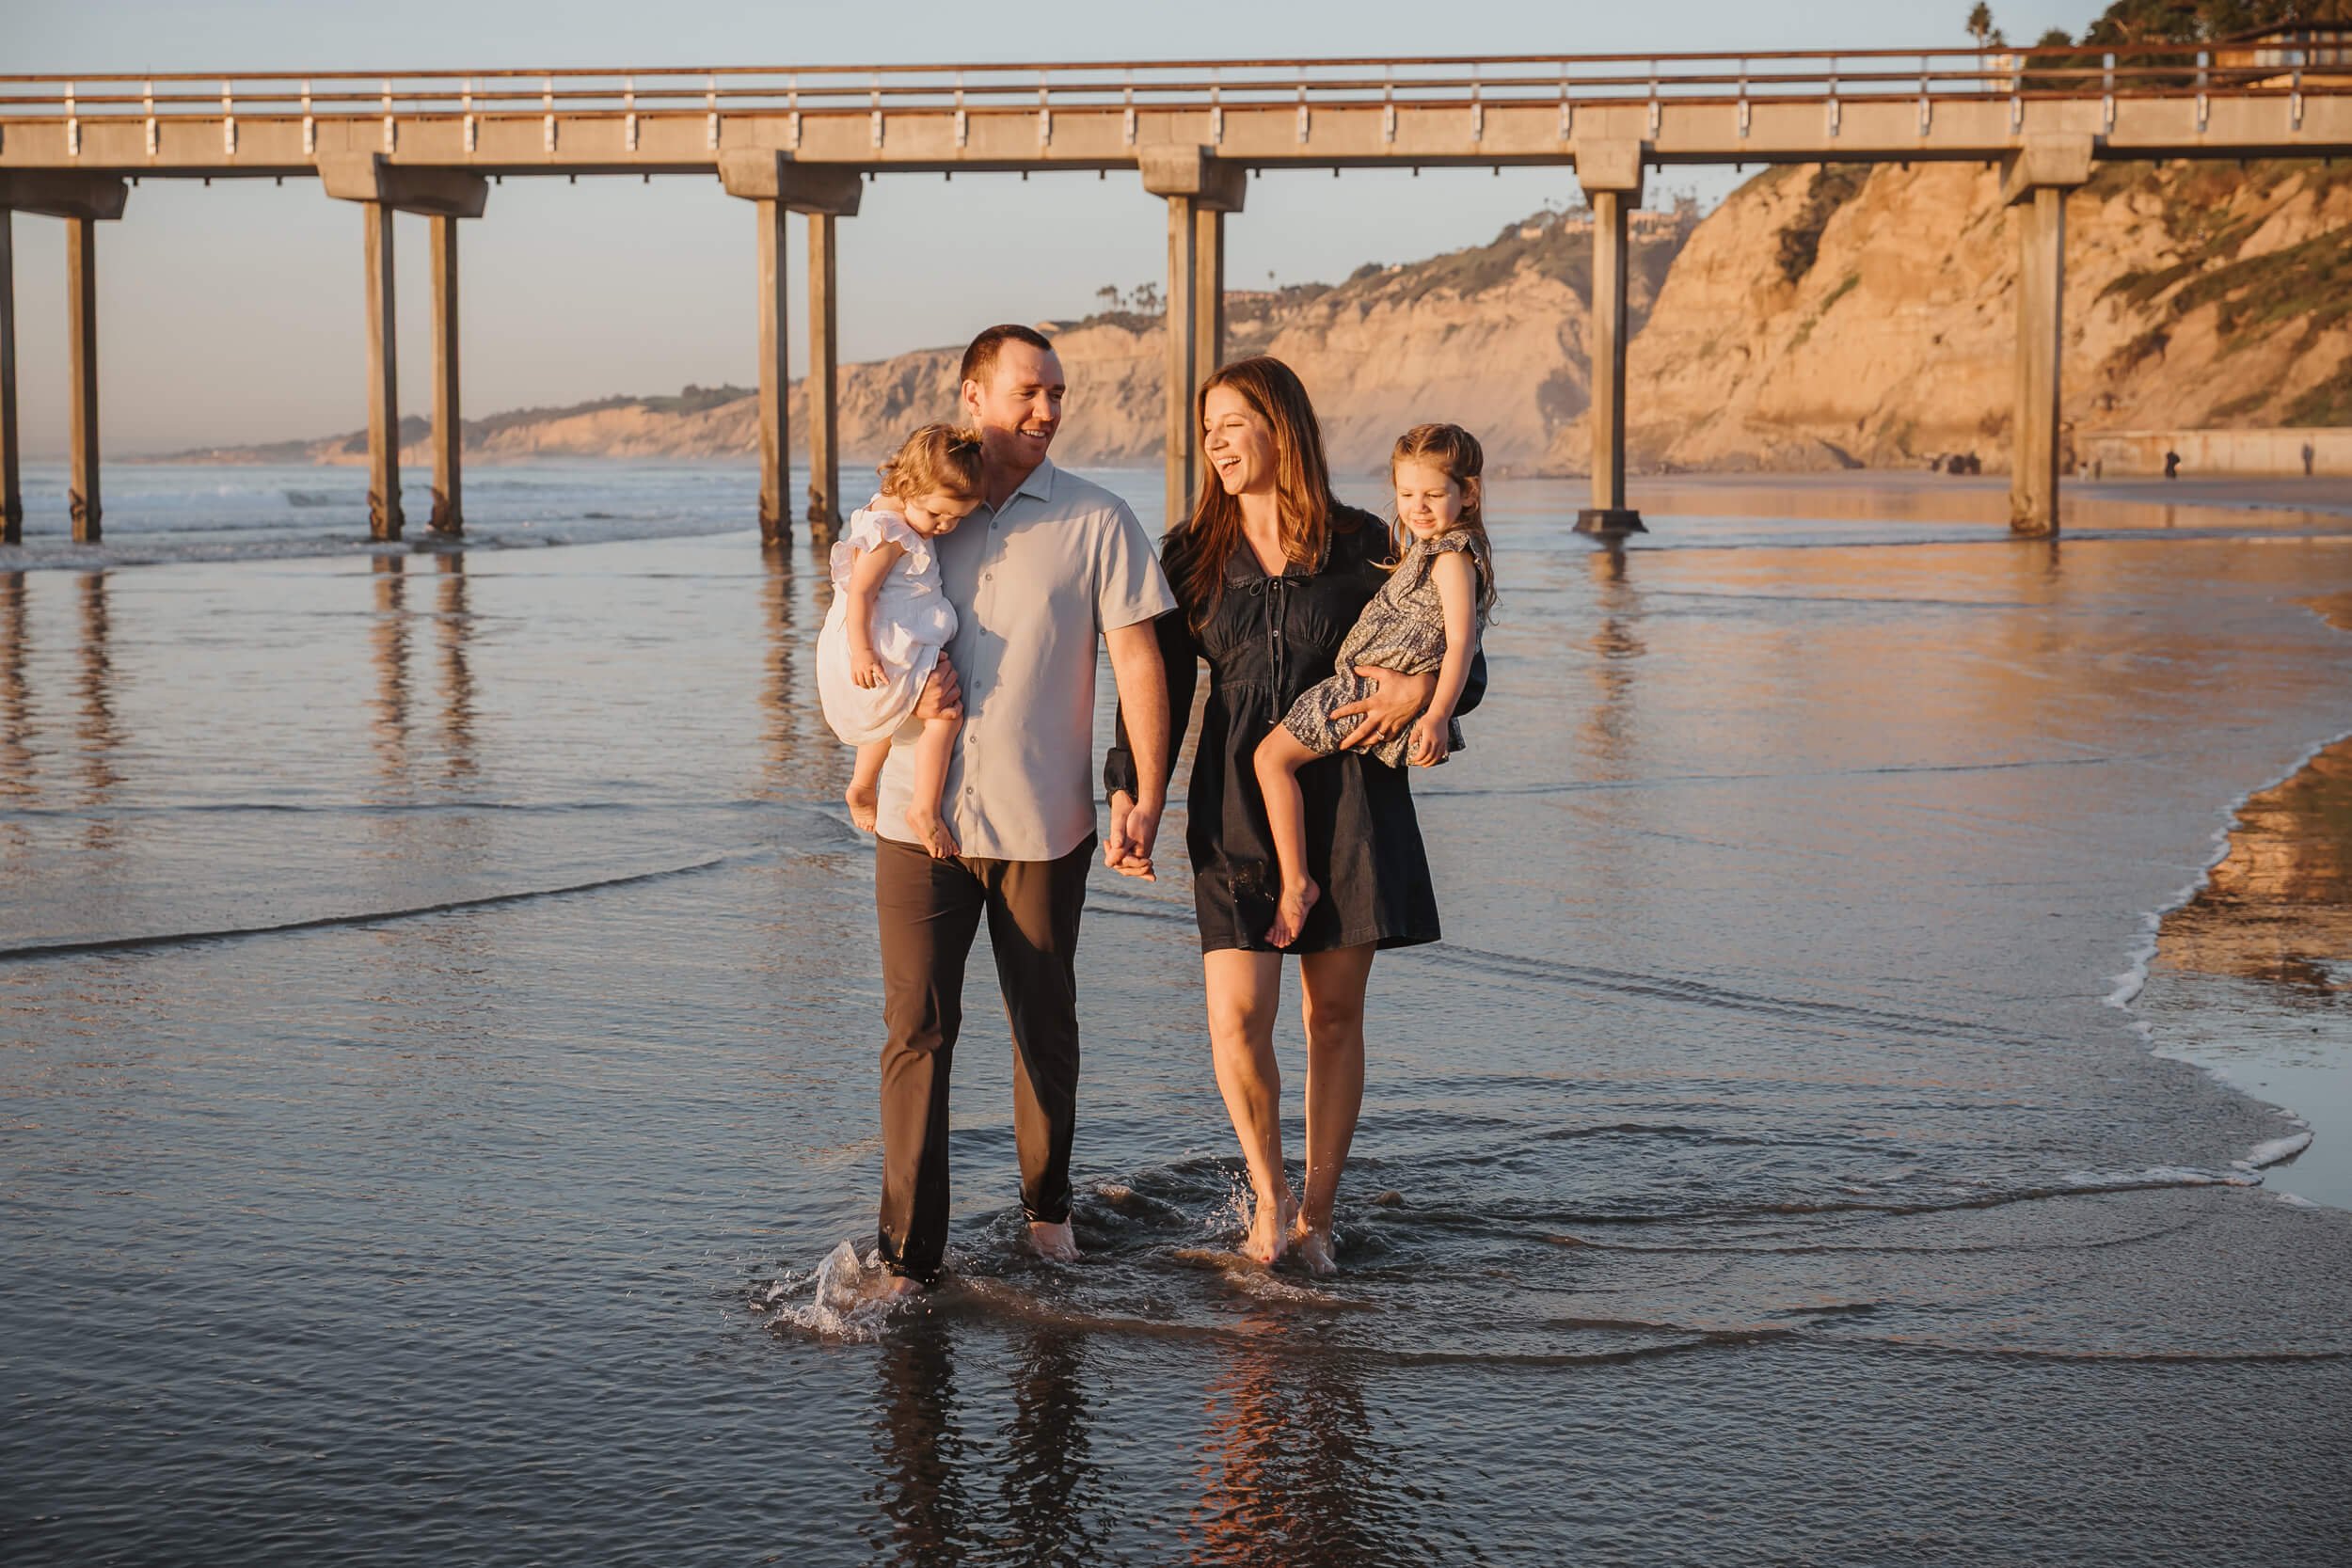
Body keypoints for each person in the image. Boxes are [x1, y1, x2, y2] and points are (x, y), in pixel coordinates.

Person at [1104, 356, 1485, 1275]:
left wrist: (1425, 689)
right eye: (1206, 429)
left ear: (1282, 427)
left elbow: (1461, 651)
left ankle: (1317, 1215)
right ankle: (1268, 1197)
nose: (1215, 441)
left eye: (1233, 421)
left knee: (1331, 1018)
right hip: (1236, 805)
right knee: (1237, 1018)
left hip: (1350, 801)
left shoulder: (1365, 544)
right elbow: (1150, 680)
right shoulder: (1192, 554)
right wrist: (1131, 789)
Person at [867, 325, 1174, 1291]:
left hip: (1044, 826)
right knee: (916, 1030)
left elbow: (1138, 660)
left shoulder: (1097, 518)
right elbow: (852, 640)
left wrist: (1145, 790)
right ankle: (909, 1255)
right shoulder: (910, 520)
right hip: (917, 825)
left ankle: (1050, 1220)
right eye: (1026, 392)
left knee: (1043, 1023)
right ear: (972, 399)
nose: (1045, 410)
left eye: (1057, 394)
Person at [1254, 423, 1496, 948]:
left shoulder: (1451, 556)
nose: (1419, 507)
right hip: (1366, 689)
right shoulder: (1422, 549)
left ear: (1467, 493)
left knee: (1270, 760)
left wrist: (1433, 715)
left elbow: (1461, 646)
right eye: (1407, 494)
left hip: (1360, 695)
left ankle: (1297, 883)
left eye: (1434, 494)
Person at [817, 424, 986, 860]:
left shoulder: (896, 512)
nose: (945, 527)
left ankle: (861, 784)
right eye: (937, 515)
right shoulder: (890, 533)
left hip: (896, 636)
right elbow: (860, 592)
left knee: (890, 717)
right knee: (946, 716)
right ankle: (923, 810)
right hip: (889, 639)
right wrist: (862, 651)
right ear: (909, 487)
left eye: (957, 519)